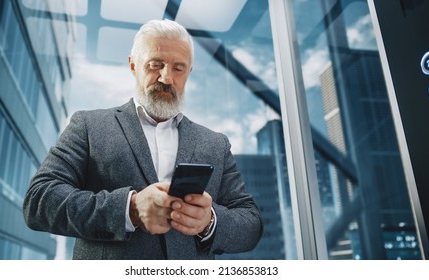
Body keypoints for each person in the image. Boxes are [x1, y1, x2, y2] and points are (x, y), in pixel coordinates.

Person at [23, 19, 263, 260]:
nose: (167, 77)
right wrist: (130, 209)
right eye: (155, 64)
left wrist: (210, 221)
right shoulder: (89, 126)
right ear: (133, 65)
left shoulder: (215, 143)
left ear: (189, 72)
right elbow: (39, 200)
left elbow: (251, 223)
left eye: (178, 68)